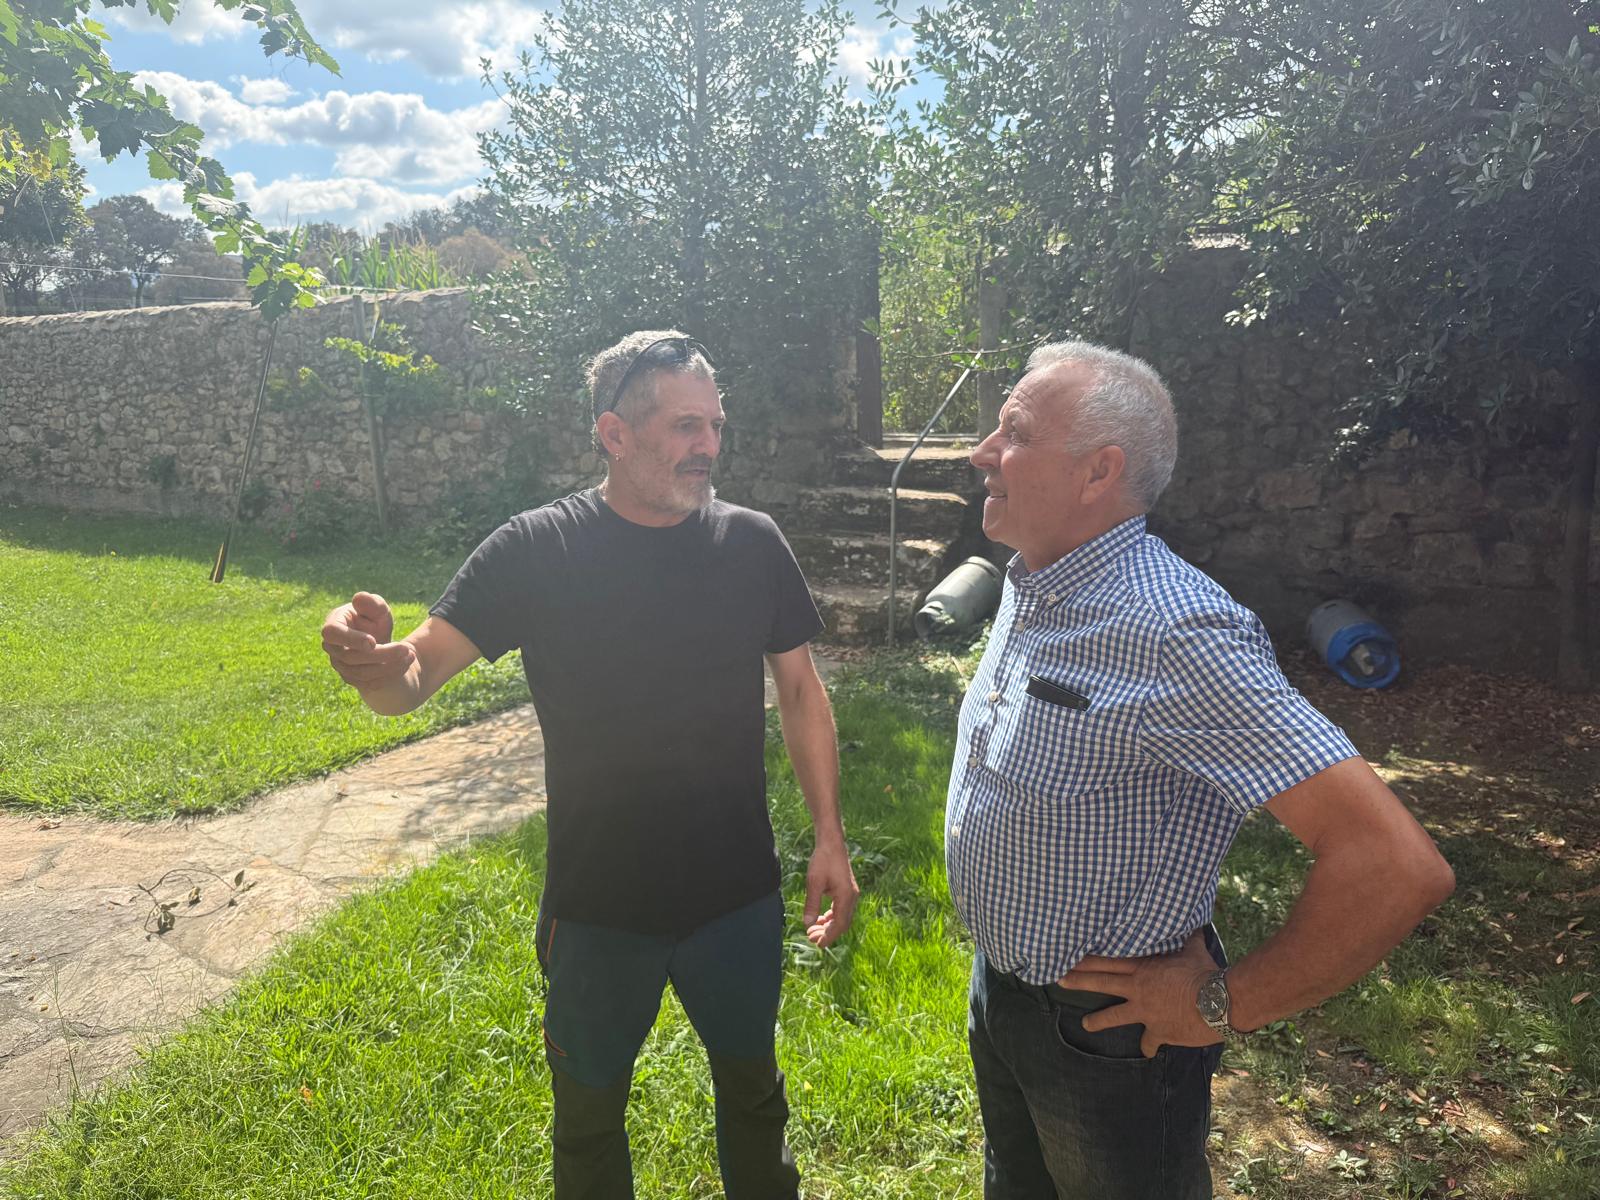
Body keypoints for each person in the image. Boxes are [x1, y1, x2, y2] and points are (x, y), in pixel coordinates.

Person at [321, 330, 859, 1199]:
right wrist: (373, 666)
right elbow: (415, 672)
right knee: (588, 1126)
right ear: (615, 434)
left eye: (715, 425)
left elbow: (800, 692)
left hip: (737, 896)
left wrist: (829, 836)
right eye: (687, 427)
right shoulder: (537, 550)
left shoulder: (751, 542)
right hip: (599, 906)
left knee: (756, 1100)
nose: (709, 447)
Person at [946, 340, 1455, 1199]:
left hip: (1107, 1039)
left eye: (1014, 432)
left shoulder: (1175, 632)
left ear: (1097, 472)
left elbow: (1396, 864)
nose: (981, 453)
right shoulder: (1034, 579)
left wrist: (1223, 1002)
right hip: (1001, 996)